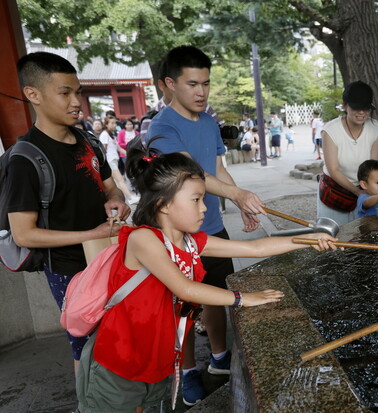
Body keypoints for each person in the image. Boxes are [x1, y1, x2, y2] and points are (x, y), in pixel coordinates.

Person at [75, 145, 340, 413]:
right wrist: (244, 298)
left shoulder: (191, 242)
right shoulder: (143, 239)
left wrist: (309, 240)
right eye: (196, 200)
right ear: (163, 204)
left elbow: (254, 248)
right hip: (118, 359)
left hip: (154, 358)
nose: (204, 208)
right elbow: (185, 288)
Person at [146, 45, 267, 406]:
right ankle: (187, 373)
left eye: (206, 84)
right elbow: (190, 174)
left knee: (217, 295)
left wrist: (236, 200)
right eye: (192, 83)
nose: (201, 92)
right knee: (183, 305)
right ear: (170, 84)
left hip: (211, 224)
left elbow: (216, 171)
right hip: (178, 233)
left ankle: (218, 358)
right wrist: (238, 193)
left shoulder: (210, 122)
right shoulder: (162, 126)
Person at [5, 52, 130, 375]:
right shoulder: (25, 159)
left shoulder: (88, 141)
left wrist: (115, 199)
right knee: (86, 346)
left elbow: (110, 186)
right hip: (67, 268)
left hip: (108, 256)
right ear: (33, 94)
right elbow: (24, 233)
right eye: (65, 93)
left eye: (78, 92)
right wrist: (91, 234)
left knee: (122, 336)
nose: (77, 102)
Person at [318, 80, 378, 225]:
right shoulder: (331, 130)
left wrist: (375, 192)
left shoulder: (376, 127)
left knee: (363, 238)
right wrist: (357, 192)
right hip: (335, 191)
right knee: (333, 238)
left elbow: (374, 167)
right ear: (345, 106)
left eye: (366, 108)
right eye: (356, 108)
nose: (361, 113)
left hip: (364, 189)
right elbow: (333, 169)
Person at [100, 116, 139, 204]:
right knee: (120, 179)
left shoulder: (111, 134)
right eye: (112, 123)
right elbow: (103, 150)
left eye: (115, 123)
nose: (114, 125)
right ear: (106, 124)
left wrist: (130, 155)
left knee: (118, 180)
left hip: (114, 160)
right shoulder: (104, 135)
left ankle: (128, 197)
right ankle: (130, 197)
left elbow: (118, 148)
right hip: (109, 161)